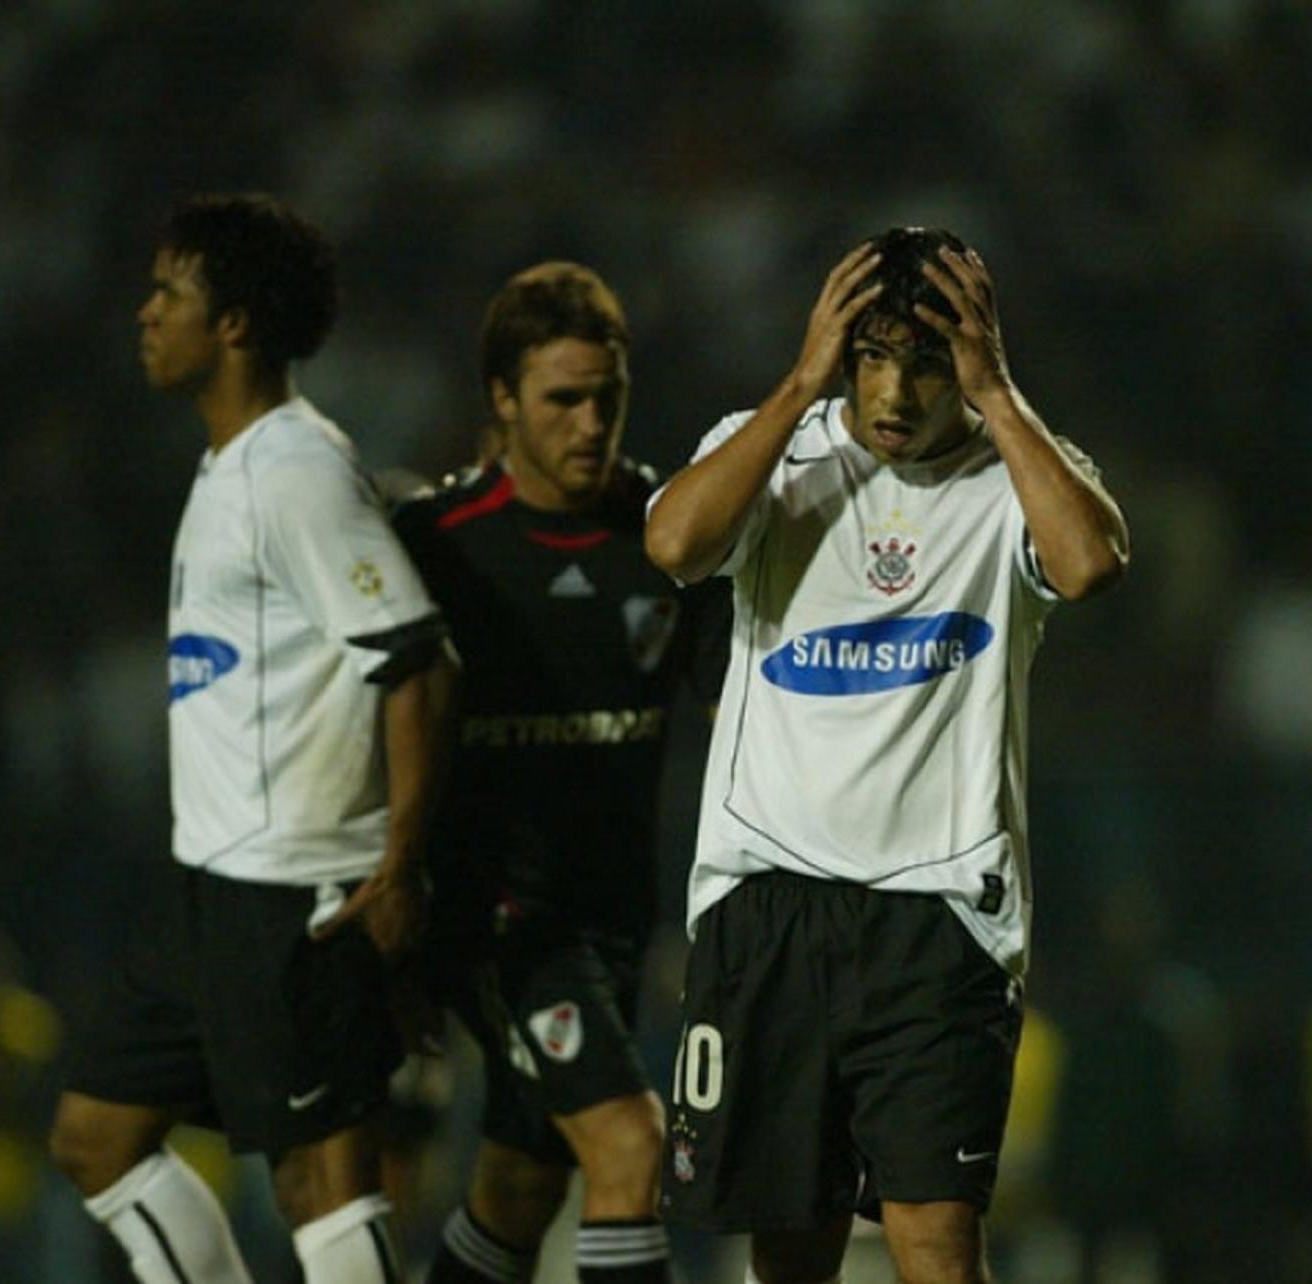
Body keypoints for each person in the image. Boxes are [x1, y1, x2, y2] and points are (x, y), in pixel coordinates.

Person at [643, 227, 1130, 1284]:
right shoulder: (773, 450)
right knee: (790, 1245)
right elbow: (675, 544)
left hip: (938, 912)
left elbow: (1090, 565)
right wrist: (797, 385)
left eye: (924, 360)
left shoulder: (1015, 473)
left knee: (936, 1242)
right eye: (873, 357)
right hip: (769, 895)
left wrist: (996, 396)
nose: (896, 390)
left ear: (966, 358)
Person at [47, 193, 456, 1284]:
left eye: (168, 293)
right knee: (95, 1136)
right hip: (212, 886)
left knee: (323, 1185)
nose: (145, 314)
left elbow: (416, 662)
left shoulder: (298, 474)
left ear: (232, 324)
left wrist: (399, 867)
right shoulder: (231, 464)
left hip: (299, 896)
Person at [395, 261, 727, 1284]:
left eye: (608, 398)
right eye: (564, 400)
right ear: (501, 401)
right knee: (630, 1150)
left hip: (613, 921)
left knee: (516, 1193)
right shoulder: (437, 544)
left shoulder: (668, 538)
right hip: (499, 923)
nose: (592, 424)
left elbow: (737, 715)